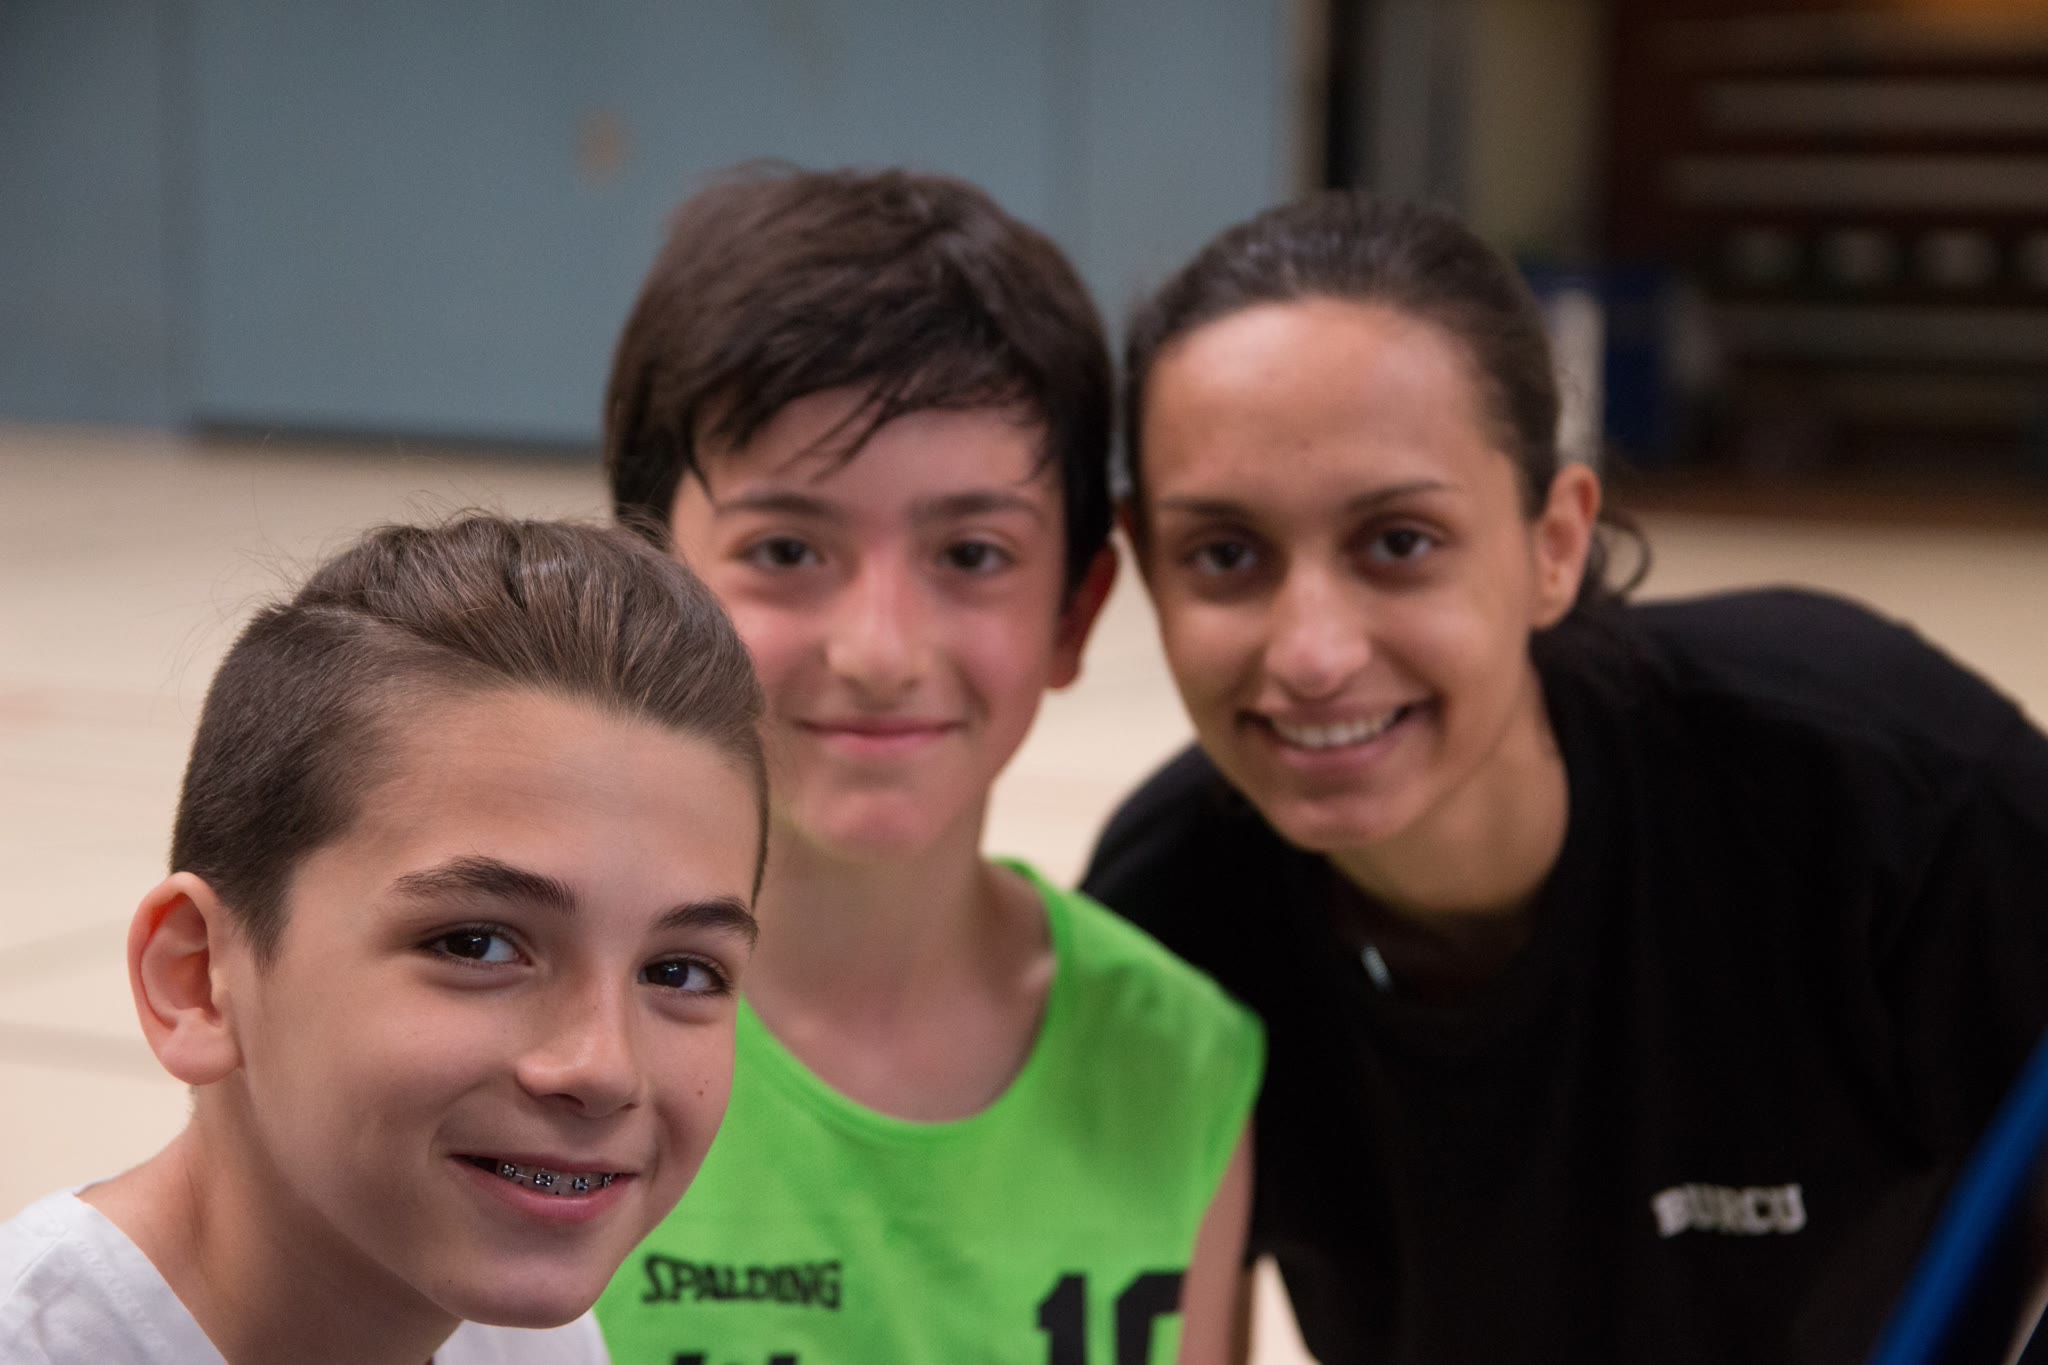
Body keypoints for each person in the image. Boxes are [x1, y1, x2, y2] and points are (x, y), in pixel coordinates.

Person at [1079, 191, 2048, 1364]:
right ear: (1148, 571)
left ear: (1553, 544)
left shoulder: (1879, 792)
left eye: (1397, 542)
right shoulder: (1168, 917)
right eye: (1224, 554)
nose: (1311, 653)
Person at [596, 165, 1262, 1364]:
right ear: (650, 586)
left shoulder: (1180, 1057)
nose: (880, 651)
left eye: (969, 554)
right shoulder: (542, 1036)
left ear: (1074, 610)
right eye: (785, 549)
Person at [0, 516, 769, 1365]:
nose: (604, 1068)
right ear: (198, 976)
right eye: (476, 944)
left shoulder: (525, 1344)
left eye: (680, 970)